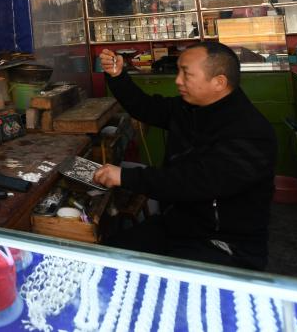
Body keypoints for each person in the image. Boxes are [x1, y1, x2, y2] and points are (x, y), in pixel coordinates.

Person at [92, 42, 277, 270]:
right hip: (178, 225)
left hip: (223, 244)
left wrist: (125, 176)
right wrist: (117, 76)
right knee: (104, 258)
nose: (178, 80)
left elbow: (192, 181)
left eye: (186, 74)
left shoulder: (251, 133)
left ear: (219, 82)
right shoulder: (191, 108)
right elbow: (145, 107)